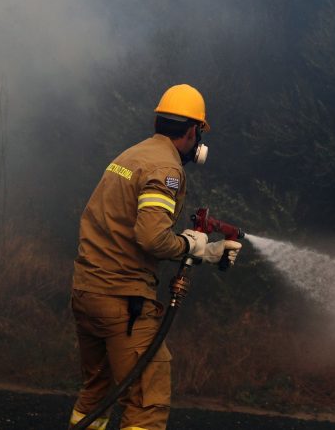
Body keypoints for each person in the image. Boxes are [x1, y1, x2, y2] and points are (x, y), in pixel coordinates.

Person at [68, 84, 243, 430]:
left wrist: (201, 249)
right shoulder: (167, 170)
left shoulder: (130, 156)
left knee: (98, 393)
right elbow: (150, 236)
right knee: (148, 400)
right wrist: (192, 247)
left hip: (87, 293)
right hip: (123, 301)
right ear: (193, 131)